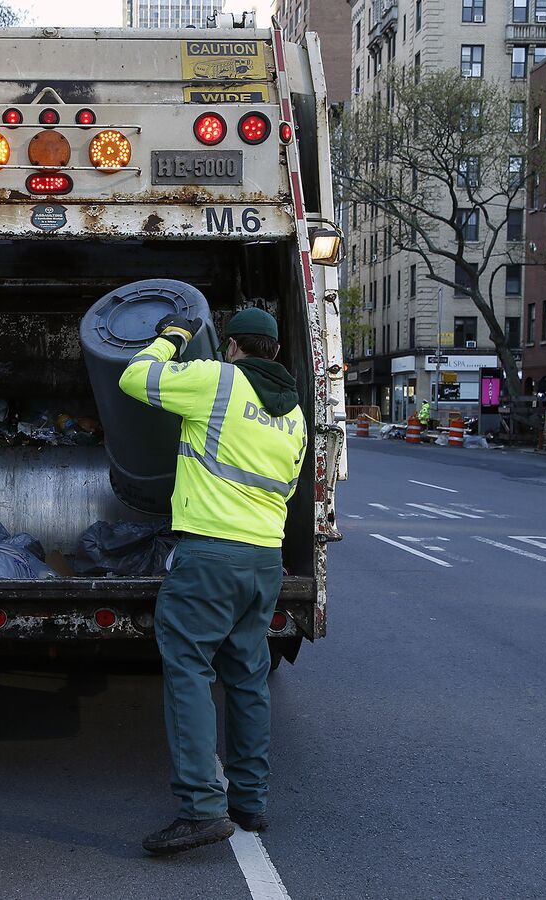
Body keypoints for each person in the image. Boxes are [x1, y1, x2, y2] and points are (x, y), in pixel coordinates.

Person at [118, 306, 307, 856]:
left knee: (188, 672)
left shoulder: (216, 379)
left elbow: (134, 378)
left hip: (208, 558)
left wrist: (170, 339)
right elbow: (289, 489)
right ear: (273, 351)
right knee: (247, 678)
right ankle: (248, 800)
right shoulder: (293, 412)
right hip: (263, 561)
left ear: (232, 346)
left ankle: (202, 808)